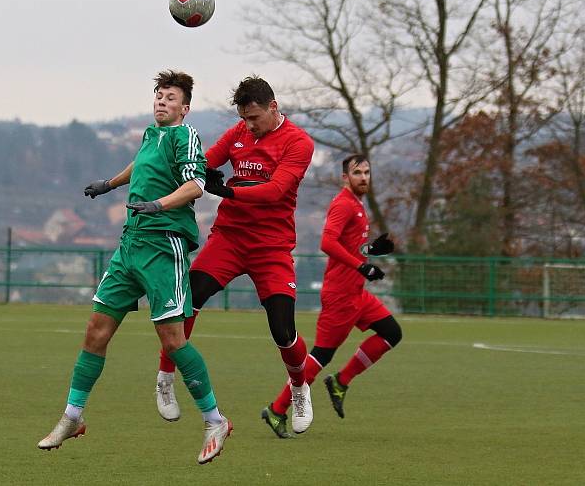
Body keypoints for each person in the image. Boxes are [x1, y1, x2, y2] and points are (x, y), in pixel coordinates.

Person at [37, 70, 232, 465]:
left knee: (173, 341)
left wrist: (159, 205)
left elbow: (197, 184)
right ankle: (72, 417)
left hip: (164, 247)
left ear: (185, 108)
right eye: (158, 95)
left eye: (170, 97)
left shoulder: (185, 136)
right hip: (131, 245)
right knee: (96, 331)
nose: (161, 101)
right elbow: (140, 164)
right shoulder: (150, 134)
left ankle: (215, 420)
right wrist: (110, 184)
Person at [153, 76, 316, 434]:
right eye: (244, 118)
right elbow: (204, 162)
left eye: (255, 118)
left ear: (273, 107)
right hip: (230, 238)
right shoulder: (238, 132)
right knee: (188, 299)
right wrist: (188, 174)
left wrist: (226, 191)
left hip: (271, 246)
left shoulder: (299, 143)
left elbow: (276, 191)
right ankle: (165, 377)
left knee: (283, 330)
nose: (250, 126)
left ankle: (299, 387)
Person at [262, 154, 403, 438]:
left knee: (391, 332)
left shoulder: (358, 205)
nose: (363, 177)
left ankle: (341, 381)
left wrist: (371, 251)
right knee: (319, 357)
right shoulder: (343, 204)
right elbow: (327, 242)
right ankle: (277, 409)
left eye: (367, 172)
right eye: (357, 172)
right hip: (340, 294)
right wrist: (362, 265)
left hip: (357, 293)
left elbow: (349, 246)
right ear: (344, 177)